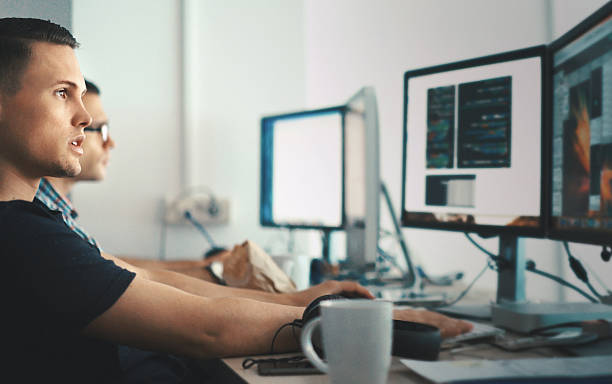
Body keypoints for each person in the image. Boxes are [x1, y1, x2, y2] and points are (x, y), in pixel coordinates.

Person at [0, 18, 472, 382]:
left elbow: (138, 277)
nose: (84, 116)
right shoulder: (19, 235)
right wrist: (356, 322)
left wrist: (295, 299)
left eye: (80, 95)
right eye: (63, 94)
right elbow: (208, 328)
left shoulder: (34, 222)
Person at [36, 78, 224, 282]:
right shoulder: (38, 215)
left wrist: (202, 265)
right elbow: (106, 275)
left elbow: (102, 262)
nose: (111, 143)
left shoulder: (56, 205)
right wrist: (218, 273)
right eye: (100, 129)